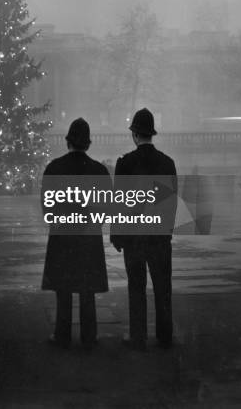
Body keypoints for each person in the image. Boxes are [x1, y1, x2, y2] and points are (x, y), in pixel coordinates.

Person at [41, 118, 112, 351]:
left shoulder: (54, 168)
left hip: (63, 237)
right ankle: (89, 336)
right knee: (87, 290)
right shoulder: (99, 171)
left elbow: (47, 207)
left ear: (67, 141)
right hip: (88, 238)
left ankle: (62, 335)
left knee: (63, 290)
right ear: (88, 144)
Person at [110, 108, 177, 350]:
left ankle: (138, 335)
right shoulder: (167, 163)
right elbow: (170, 204)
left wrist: (117, 236)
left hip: (134, 237)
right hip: (158, 237)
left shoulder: (126, 164)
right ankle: (165, 334)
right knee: (163, 287)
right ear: (152, 134)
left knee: (136, 287)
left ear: (135, 134)